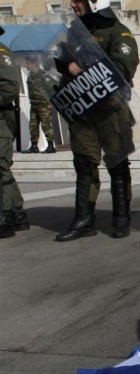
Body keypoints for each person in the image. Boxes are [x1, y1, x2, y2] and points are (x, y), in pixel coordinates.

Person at [55, 0, 139, 241]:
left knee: (117, 162)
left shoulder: (117, 31)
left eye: (78, 0)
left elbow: (123, 69)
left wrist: (78, 70)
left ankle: (121, 217)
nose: (72, 4)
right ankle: (84, 219)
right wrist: (62, 65)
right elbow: (64, 63)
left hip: (110, 110)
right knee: (84, 163)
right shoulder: (75, 32)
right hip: (82, 109)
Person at [0, 27, 29, 238]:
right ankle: (17, 213)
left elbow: (10, 86)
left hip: (1, 122)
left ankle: (5, 216)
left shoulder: (1, 53)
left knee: (0, 166)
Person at [21, 56, 56, 155]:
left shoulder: (43, 76)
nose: (26, 66)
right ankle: (34, 146)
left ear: (33, 64)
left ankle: (50, 145)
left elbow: (52, 89)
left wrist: (50, 102)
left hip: (43, 105)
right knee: (33, 126)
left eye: (28, 63)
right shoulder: (30, 76)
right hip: (34, 104)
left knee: (46, 125)